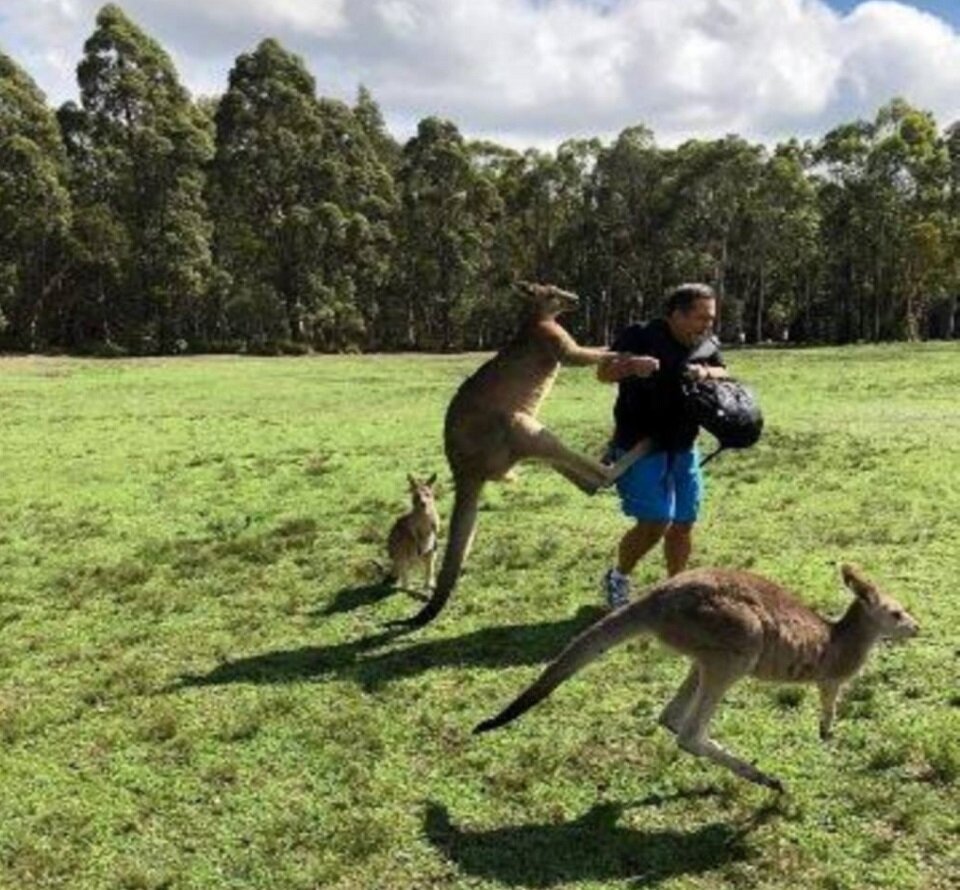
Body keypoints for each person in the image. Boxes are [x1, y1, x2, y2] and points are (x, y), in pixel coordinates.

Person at [596, 283, 728, 608]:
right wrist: (630, 366)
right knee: (655, 521)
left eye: (710, 318)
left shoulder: (705, 343)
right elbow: (602, 373)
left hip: (684, 443)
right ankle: (619, 577)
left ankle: (676, 591)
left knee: (683, 523)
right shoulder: (640, 335)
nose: (707, 325)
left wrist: (705, 371)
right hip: (640, 445)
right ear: (676, 314)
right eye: (701, 318)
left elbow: (724, 370)